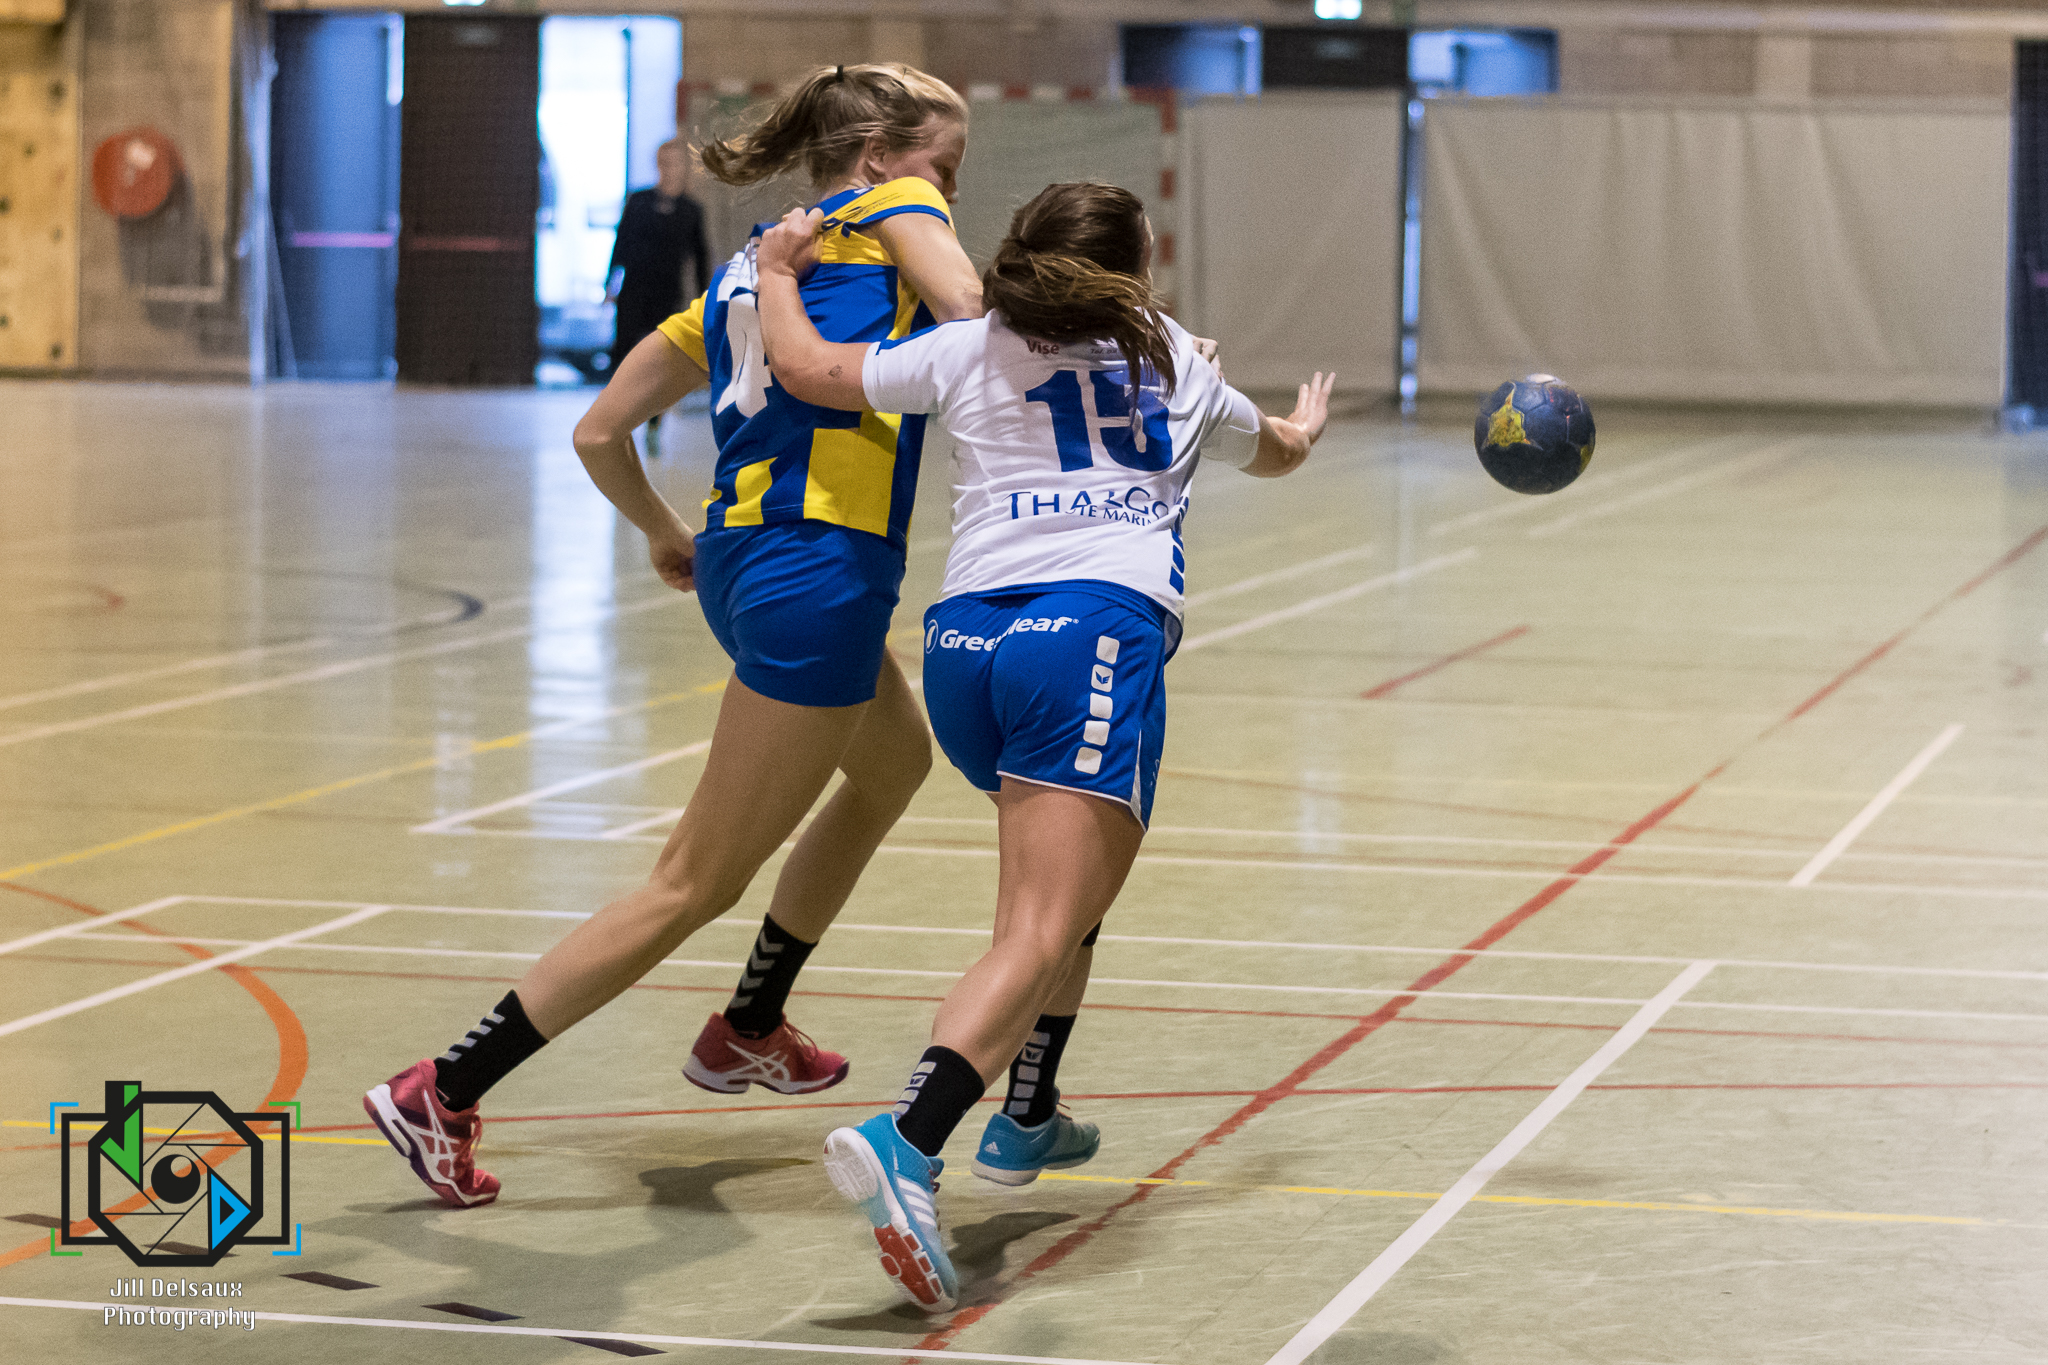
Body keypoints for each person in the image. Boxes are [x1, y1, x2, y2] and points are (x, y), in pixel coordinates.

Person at [363, 62, 986, 1210]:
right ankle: (442, 1089)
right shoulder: (893, 210)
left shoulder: (752, 268)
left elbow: (600, 431)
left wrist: (661, 531)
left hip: (742, 561)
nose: (948, 191)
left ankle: (751, 1022)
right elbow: (969, 310)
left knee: (895, 763)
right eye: (942, 167)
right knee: (690, 882)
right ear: (877, 159)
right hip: (815, 569)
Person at [753, 181, 1333, 1310]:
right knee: (1035, 926)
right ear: (1137, 267)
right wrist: (1303, 428)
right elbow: (1273, 453)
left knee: (1064, 902)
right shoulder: (1175, 358)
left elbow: (810, 371)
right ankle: (909, 1137)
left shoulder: (966, 346)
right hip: (1090, 635)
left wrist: (778, 274)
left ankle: (1028, 1114)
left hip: (965, 647)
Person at [603, 139, 711, 450]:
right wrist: (610, 283)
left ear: (683, 167)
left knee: (661, 363)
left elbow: (700, 258)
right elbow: (621, 243)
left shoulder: (691, 211)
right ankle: (616, 423)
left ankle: (654, 424)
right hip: (634, 291)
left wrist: (705, 300)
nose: (669, 169)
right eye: (664, 162)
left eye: (675, 163)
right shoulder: (638, 201)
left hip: (667, 295)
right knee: (623, 355)